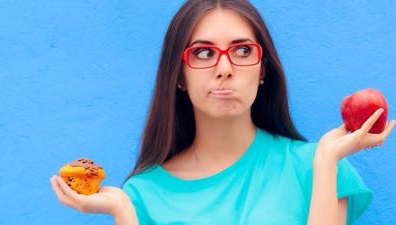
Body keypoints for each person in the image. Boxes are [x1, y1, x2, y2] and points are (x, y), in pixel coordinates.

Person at [50, 0, 395, 225]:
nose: (225, 68)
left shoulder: (316, 166)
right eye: (203, 53)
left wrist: (325, 163)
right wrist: (123, 212)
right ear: (179, 76)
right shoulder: (142, 195)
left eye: (242, 50)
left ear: (263, 70)